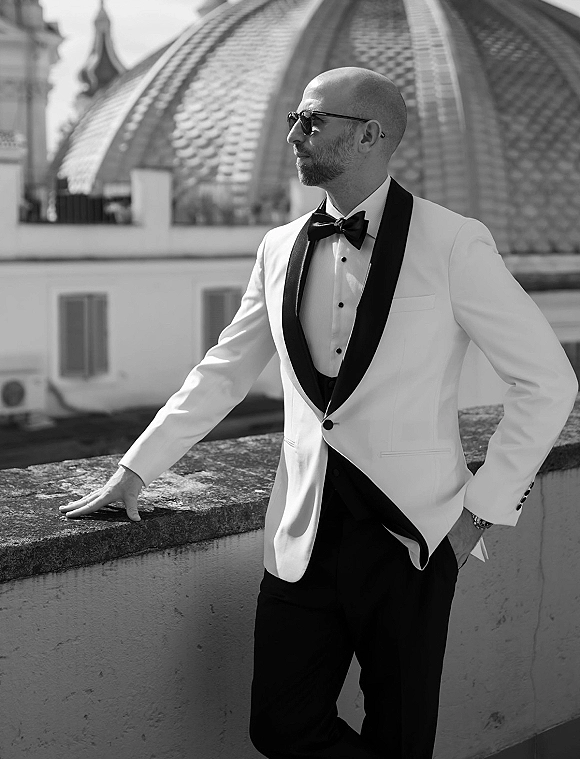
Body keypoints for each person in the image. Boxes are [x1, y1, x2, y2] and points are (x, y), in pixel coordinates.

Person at [60, 67, 578, 758]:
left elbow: (546, 380)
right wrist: (135, 469)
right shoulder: (278, 245)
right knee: (279, 725)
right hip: (300, 531)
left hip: (413, 538)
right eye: (294, 120)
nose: (294, 135)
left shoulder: (454, 241)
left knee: (401, 737)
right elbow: (224, 370)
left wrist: (477, 516)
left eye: (312, 120)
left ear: (369, 135)